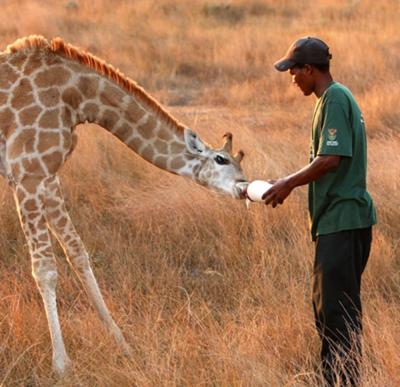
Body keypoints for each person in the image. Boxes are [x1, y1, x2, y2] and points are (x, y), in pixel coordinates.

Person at [263, 37, 377, 386]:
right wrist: (287, 182)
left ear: (309, 70)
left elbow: (330, 159)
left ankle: (340, 381)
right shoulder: (331, 99)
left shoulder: (335, 98)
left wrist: (288, 183)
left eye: (294, 71)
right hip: (339, 220)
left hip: (342, 220)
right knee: (334, 311)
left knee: (335, 314)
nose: (292, 78)